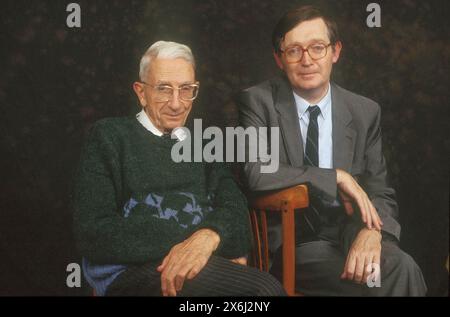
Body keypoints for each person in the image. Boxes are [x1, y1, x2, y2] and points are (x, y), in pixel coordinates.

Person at [237, 5, 427, 296]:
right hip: (293, 243)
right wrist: (333, 176)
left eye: (317, 48)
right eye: (294, 51)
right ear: (279, 59)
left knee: (404, 266)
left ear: (335, 52)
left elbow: (380, 191)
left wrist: (373, 231)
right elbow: (256, 171)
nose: (307, 60)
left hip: (348, 234)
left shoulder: (364, 111)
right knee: (377, 283)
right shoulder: (257, 102)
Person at [72, 40, 285, 296]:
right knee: (262, 291)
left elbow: (236, 213)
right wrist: (200, 243)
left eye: (186, 90)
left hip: (202, 264)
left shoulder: (204, 143)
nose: (176, 103)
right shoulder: (109, 136)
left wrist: (208, 239)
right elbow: (93, 231)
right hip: (133, 271)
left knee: (261, 290)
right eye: (164, 89)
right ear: (141, 92)